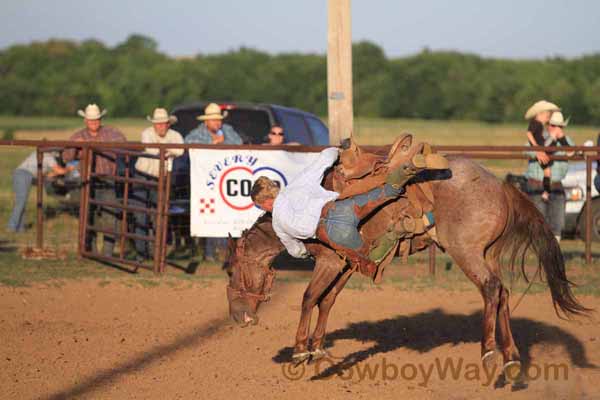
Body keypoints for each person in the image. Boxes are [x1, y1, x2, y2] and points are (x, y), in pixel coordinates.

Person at [250, 145, 448, 278]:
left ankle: (401, 229)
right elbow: (324, 159)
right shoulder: (297, 184)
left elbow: (295, 250)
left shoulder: (277, 223)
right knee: (387, 191)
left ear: (265, 203)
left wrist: (306, 254)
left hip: (331, 232)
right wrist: (337, 149)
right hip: (341, 208)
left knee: (371, 259)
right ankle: (408, 167)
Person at [63, 104, 127, 256]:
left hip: (107, 179)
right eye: (91, 120)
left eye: (96, 119)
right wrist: (75, 147)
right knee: (88, 215)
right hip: (87, 181)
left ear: (100, 119)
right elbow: (66, 157)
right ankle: (91, 251)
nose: (94, 122)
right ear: (85, 120)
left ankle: (107, 253)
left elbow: (125, 147)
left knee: (109, 216)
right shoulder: (78, 136)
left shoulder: (112, 133)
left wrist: (112, 148)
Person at [185, 103, 242, 262]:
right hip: (205, 183)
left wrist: (224, 143)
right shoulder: (197, 134)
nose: (217, 123)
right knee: (210, 215)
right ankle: (211, 251)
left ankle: (223, 250)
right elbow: (187, 143)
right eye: (213, 120)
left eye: (218, 119)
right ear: (206, 122)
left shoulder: (228, 131)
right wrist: (214, 145)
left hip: (225, 181)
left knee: (225, 213)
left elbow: (239, 144)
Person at [131, 108, 184, 259]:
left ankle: (156, 253)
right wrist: (168, 150)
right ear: (154, 125)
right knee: (141, 215)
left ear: (168, 124)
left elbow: (180, 150)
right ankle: (142, 253)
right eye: (158, 124)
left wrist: (163, 149)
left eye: (163, 124)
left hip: (161, 179)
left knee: (158, 217)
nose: (161, 126)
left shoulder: (175, 135)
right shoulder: (147, 133)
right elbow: (151, 149)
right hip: (142, 176)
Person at [525, 111, 574, 242]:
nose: (556, 128)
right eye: (552, 125)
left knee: (557, 223)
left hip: (556, 184)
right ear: (548, 125)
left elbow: (571, 153)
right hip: (537, 183)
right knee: (538, 220)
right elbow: (527, 151)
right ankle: (540, 251)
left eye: (559, 126)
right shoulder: (539, 137)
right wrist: (551, 139)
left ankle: (554, 250)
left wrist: (561, 138)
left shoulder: (566, 141)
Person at [7, 151, 73, 232]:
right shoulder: (50, 158)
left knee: (21, 202)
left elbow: (42, 173)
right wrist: (69, 168)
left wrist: (50, 176)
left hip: (19, 173)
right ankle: (11, 227)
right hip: (25, 175)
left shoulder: (37, 153)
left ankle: (20, 228)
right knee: (21, 202)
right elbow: (60, 171)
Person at [524, 100, 561, 202]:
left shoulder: (538, 125)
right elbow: (529, 134)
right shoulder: (536, 123)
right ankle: (546, 193)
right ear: (539, 114)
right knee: (547, 172)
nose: (547, 119)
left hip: (541, 149)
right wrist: (537, 148)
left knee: (547, 172)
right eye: (547, 116)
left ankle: (546, 192)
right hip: (540, 150)